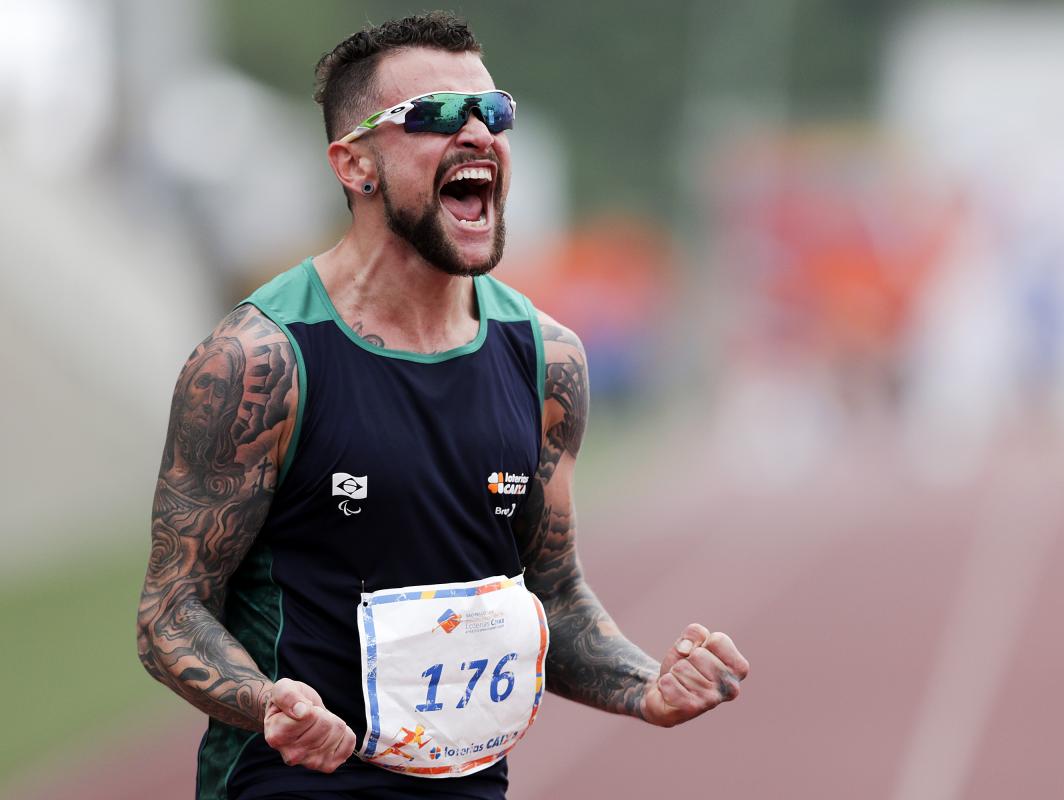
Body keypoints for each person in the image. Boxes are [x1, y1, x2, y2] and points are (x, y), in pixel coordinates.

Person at [137, 12, 749, 800]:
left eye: (493, 114)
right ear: (354, 164)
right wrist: (268, 703)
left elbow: (552, 594)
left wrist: (645, 688)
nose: (477, 134)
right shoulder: (259, 360)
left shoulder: (546, 359)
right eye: (433, 115)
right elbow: (170, 613)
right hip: (296, 785)